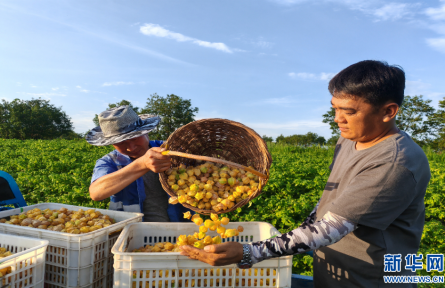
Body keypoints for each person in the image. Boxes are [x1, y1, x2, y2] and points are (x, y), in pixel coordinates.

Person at [180, 60, 431, 287]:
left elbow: (332, 226)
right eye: (335, 108)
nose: (337, 119)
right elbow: (329, 203)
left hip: (369, 278)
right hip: (333, 271)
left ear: (389, 111)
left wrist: (249, 252)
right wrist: (306, 228)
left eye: (349, 111)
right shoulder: (349, 139)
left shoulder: (394, 162)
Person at [86, 105, 192, 222]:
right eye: (121, 143)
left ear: (146, 131)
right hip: (133, 232)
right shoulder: (109, 162)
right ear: (112, 144)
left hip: (181, 229)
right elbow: (96, 193)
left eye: (135, 138)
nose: (131, 148)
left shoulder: (170, 149)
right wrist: (141, 164)